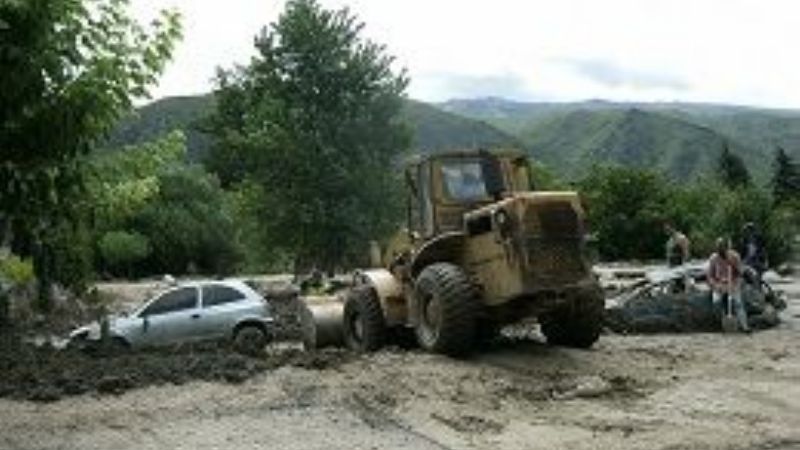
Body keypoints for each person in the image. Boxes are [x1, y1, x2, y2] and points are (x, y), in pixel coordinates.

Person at [707, 237, 750, 333]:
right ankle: (722, 324)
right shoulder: (713, 258)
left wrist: (735, 284)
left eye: (722, 247)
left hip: (733, 283)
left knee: (738, 303)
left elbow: (740, 274)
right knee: (716, 302)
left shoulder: (735, 256)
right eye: (718, 248)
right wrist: (716, 286)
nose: (720, 250)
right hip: (719, 284)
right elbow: (710, 276)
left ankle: (745, 326)